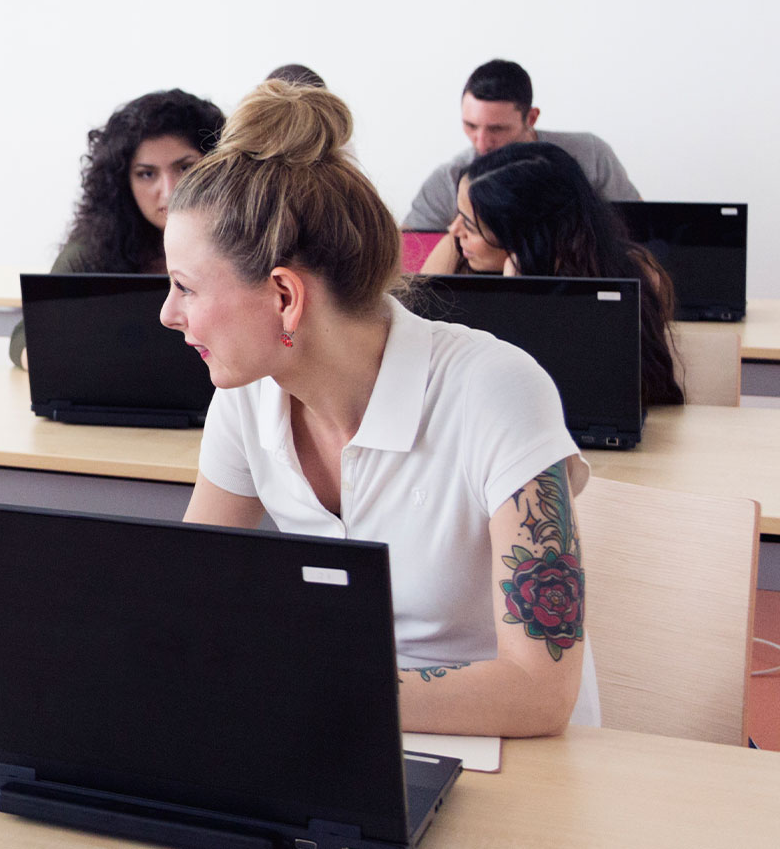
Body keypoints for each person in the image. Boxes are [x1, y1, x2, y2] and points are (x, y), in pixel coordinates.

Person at [163, 79, 597, 737]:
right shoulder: (248, 398)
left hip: (514, 759)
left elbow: (540, 692)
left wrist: (294, 681)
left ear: (284, 296)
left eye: (185, 288)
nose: (169, 315)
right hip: (340, 735)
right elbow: (188, 595)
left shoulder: (497, 390)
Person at [421, 141, 684, 404]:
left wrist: (521, 295)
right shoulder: (455, 254)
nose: (454, 229)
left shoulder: (631, 275)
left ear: (524, 233)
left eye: (471, 224)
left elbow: (587, 396)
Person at [9, 89, 225, 366]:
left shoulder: (247, 241)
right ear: (123, 184)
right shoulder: (94, 248)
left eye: (184, 168)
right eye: (147, 174)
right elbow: (28, 336)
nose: (169, 191)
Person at [403, 59, 639, 238]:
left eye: (497, 129)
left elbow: (637, 232)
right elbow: (408, 256)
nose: (482, 142)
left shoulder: (589, 154)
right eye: (471, 125)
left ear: (532, 118)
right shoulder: (448, 179)